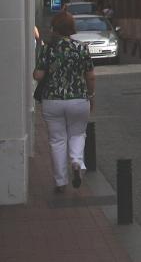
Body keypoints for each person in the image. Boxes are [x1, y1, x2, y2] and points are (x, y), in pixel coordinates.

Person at [33, 11, 95, 193]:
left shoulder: (48, 49)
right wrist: (91, 96)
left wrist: (36, 73)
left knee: (57, 140)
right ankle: (76, 161)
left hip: (52, 100)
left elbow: (38, 75)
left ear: (55, 28)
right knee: (77, 134)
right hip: (78, 99)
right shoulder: (82, 48)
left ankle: (60, 182)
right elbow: (90, 77)